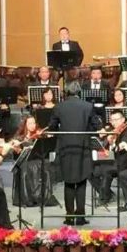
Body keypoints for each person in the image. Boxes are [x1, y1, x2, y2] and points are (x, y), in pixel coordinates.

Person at [48, 81, 101, 225]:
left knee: (69, 181)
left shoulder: (59, 106)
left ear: (66, 92)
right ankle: (80, 216)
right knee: (82, 180)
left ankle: (70, 216)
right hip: (83, 147)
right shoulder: (88, 106)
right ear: (79, 92)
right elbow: (96, 125)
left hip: (65, 147)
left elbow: (52, 126)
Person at [11, 115, 58, 207]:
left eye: (34, 123)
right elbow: (16, 155)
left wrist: (48, 137)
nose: (33, 125)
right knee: (26, 168)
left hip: (38, 160)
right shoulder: (19, 137)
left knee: (46, 165)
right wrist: (17, 148)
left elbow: (46, 149)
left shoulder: (40, 135)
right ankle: (28, 198)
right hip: (25, 162)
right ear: (24, 125)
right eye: (30, 123)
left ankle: (43, 197)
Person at [91, 109, 127, 205]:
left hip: (123, 162)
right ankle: (108, 194)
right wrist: (104, 141)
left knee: (105, 170)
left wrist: (112, 143)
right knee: (90, 171)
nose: (114, 122)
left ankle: (104, 198)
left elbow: (120, 149)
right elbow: (105, 148)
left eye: (116, 120)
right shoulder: (111, 130)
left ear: (123, 119)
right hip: (111, 160)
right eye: (112, 120)